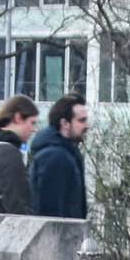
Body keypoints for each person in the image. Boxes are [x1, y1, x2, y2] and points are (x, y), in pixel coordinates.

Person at [28, 91, 90, 219]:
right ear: (65, 123)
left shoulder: (65, 154)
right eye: (82, 120)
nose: (87, 126)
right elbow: (49, 211)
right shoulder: (56, 157)